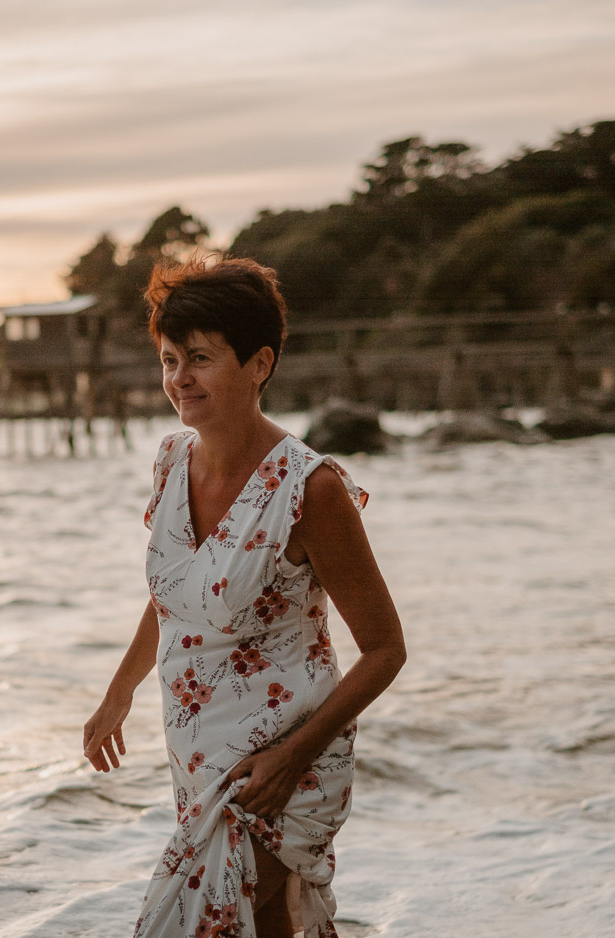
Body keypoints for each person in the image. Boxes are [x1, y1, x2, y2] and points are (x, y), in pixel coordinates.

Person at [83, 254, 407, 938]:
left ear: (259, 364)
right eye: (170, 360)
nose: (179, 379)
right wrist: (120, 692)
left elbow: (385, 650)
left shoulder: (308, 489)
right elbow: (179, 592)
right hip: (198, 754)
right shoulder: (174, 461)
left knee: (242, 921)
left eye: (199, 358)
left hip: (279, 761)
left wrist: (293, 758)